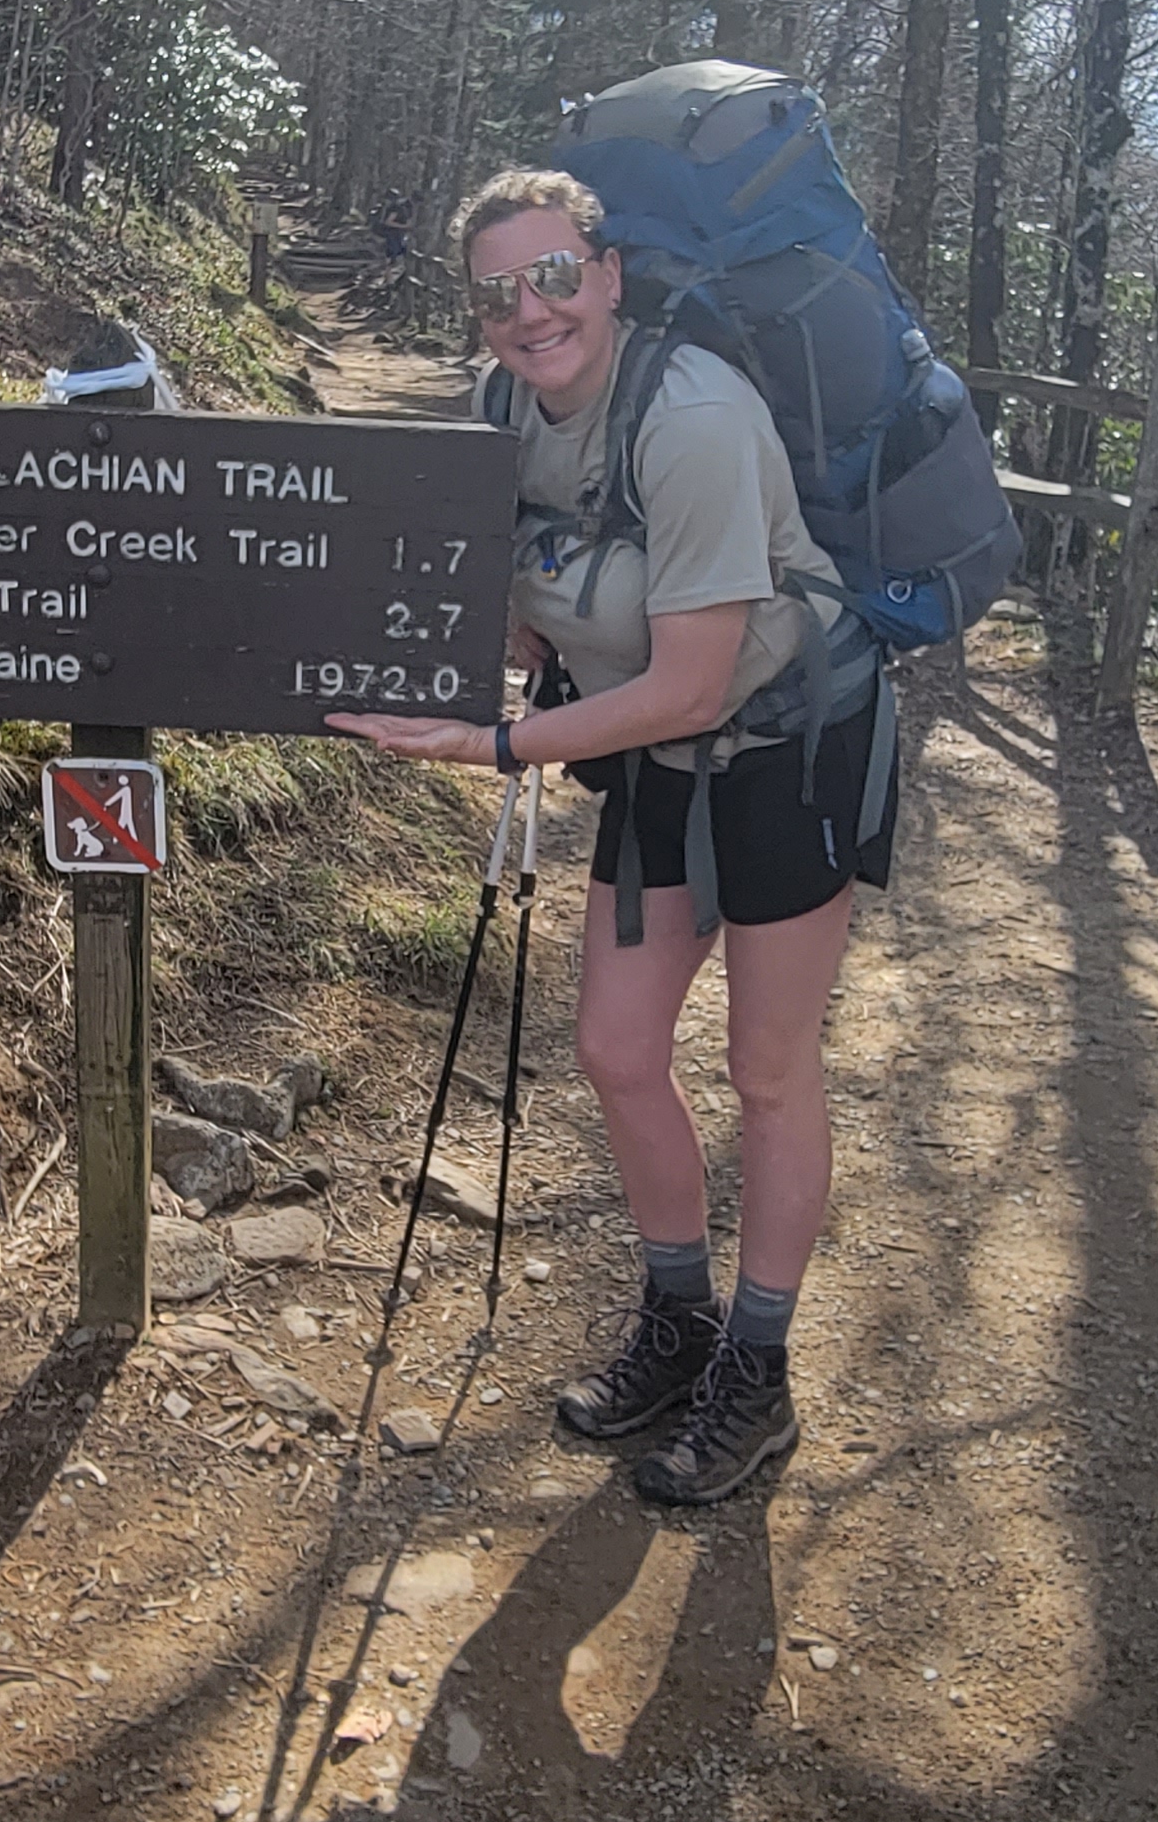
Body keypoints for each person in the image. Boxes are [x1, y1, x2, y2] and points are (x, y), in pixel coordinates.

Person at [329, 167, 894, 1504]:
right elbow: (500, 574)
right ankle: (679, 1322)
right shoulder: (497, 410)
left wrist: (495, 746)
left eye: (554, 277)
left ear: (609, 273)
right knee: (618, 1048)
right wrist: (515, 631)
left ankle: (757, 1371)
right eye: (497, 294)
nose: (530, 312)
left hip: (786, 750)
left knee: (767, 1067)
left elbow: (695, 682)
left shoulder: (692, 417)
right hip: (653, 754)